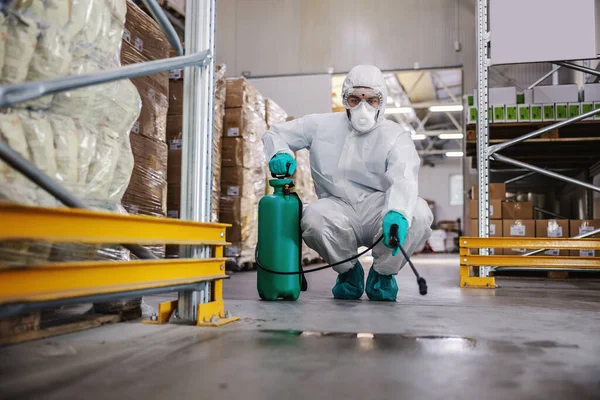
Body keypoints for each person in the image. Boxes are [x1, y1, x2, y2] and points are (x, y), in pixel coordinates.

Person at [262, 64, 433, 301]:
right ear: (345, 99)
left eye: (371, 100)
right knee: (313, 218)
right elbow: (276, 134)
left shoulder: (395, 135)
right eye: (355, 99)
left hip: (379, 208)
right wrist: (279, 153)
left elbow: (403, 176)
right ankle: (348, 272)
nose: (363, 107)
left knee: (419, 213)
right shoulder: (321, 126)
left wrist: (397, 212)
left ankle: (383, 274)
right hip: (338, 206)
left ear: (381, 102)